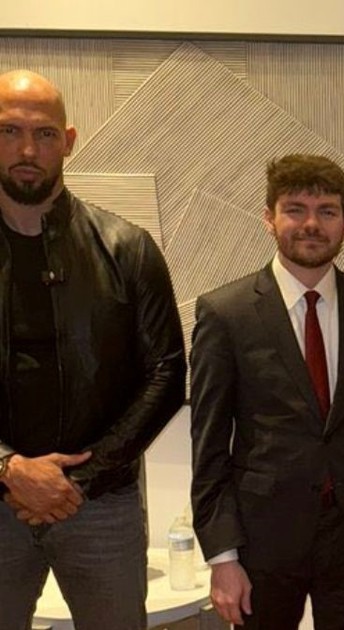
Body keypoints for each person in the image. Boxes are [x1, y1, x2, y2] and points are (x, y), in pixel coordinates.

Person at [191, 154, 344, 629]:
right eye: (295, 209)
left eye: (327, 211)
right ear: (268, 218)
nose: (312, 224)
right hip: (262, 537)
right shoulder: (226, 314)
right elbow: (209, 445)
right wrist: (222, 556)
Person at [0, 69, 185, 630]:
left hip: (100, 506)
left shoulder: (127, 248)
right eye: (9, 131)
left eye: (44, 133)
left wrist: (77, 480)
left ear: (69, 141)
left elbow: (166, 374)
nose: (27, 150)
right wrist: (8, 467)